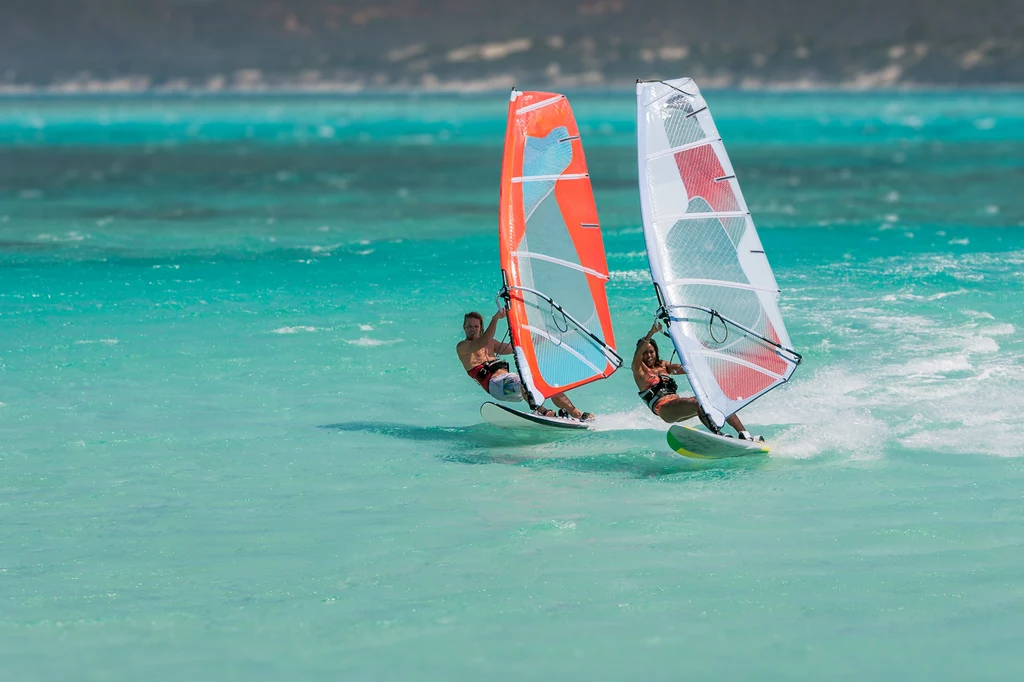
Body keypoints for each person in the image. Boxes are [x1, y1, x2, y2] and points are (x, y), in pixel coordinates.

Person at [632, 320, 761, 441]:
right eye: (645, 353)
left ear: (656, 352)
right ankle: (719, 435)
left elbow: (689, 368)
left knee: (714, 400)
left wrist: (699, 351)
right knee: (698, 401)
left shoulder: (664, 366)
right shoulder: (639, 371)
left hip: (679, 406)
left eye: (651, 352)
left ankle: (744, 434)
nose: (648, 356)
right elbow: (637, 355)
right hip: (665, 409)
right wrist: (651, 332)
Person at [457, 310, 593, 420]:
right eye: (469, 326)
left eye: (476, 326)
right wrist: (495, 318)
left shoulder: (491, 343)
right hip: (496, 386)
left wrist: (537, 339)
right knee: (524, 381)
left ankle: (577, 414)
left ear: (481, 328)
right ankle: (542, 411)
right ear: (464, 327)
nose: (472, 329)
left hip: (512, 382)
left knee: (544, 382)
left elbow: (513, 348)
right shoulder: (463, 347)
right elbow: (481, 341)